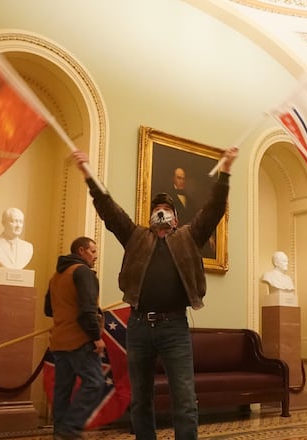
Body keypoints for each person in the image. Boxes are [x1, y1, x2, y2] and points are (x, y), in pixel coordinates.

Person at [72, 146, 238, 440]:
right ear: (151, 217)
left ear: (175, 219)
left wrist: (224, 171)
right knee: (140, 400)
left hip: (174, 327)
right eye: (156, 210)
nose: (160, 212)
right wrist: (87, 174)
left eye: (166, 210)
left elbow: (213, 210)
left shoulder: (188, 237)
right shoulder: (136, 236)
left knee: (185, 401)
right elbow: (109, 209)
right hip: (137, 326)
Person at [48, 236, 105, 440]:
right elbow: (87, 311)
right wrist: (96, 337)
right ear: (81, 251)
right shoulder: (82, 272)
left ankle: (60, 432)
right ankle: (70, 428)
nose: (95, 256)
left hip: (59, 341)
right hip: (80, 340)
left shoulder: (56, 276)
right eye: (93, 251)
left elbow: (48, 309)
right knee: (95, 383)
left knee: (63, 389)